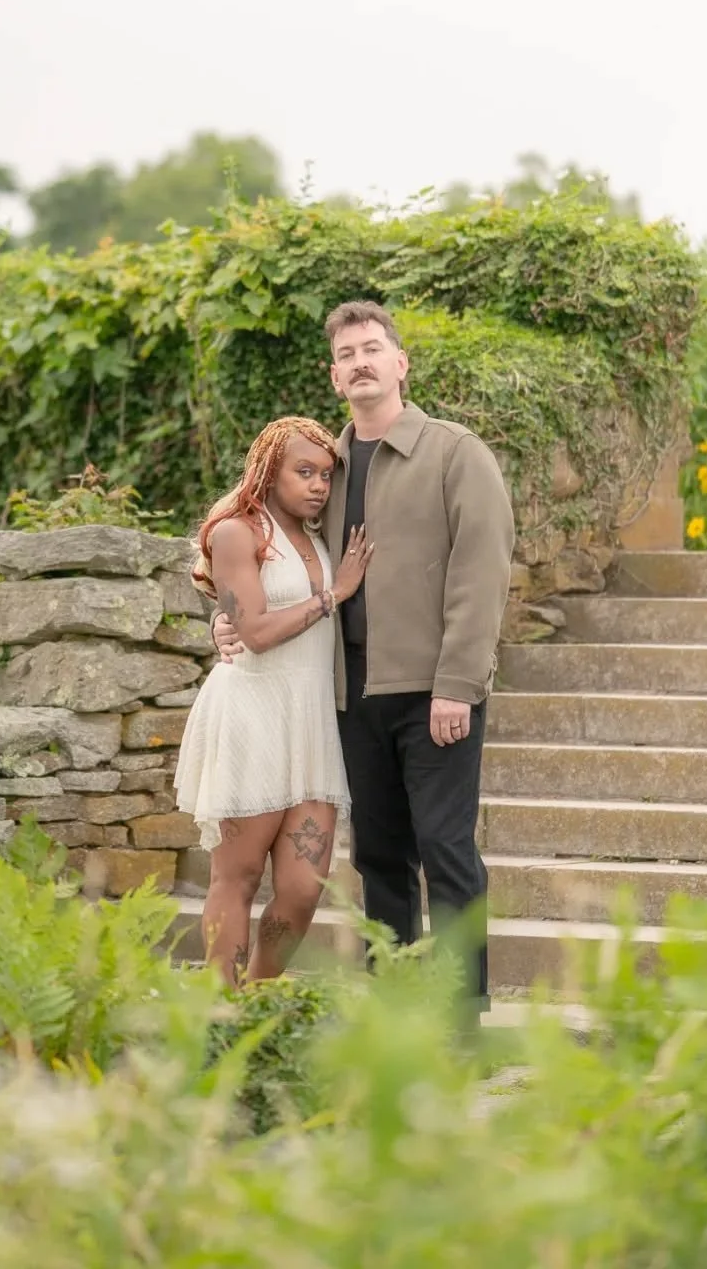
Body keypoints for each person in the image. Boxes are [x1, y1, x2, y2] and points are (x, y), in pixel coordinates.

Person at [212, 301, 514, 1012]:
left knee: (446, 854)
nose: (362, 363)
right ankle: (396, 1015)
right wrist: (225, 625)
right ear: (334, 375)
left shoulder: (454, 452)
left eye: (374, 349)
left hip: (432, 694)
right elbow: (256, 554)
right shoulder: (323, 470)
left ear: (401, 363)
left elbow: (483, 570)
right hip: (348, 701)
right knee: (378, 862)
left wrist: (458, 685)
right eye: (348, 355)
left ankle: (464, 1018)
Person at [174, 416, 373, 984]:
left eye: (325, 475)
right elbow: (256, 632)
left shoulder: (317, 535)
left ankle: (258, 999)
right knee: (234, 878)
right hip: (253, 714)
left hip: (310, 723)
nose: (317, 486)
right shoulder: (237, 531)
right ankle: (221, 1005)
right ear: (267, 470)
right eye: (303, 472)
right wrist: (334, 595)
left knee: (303, 890)